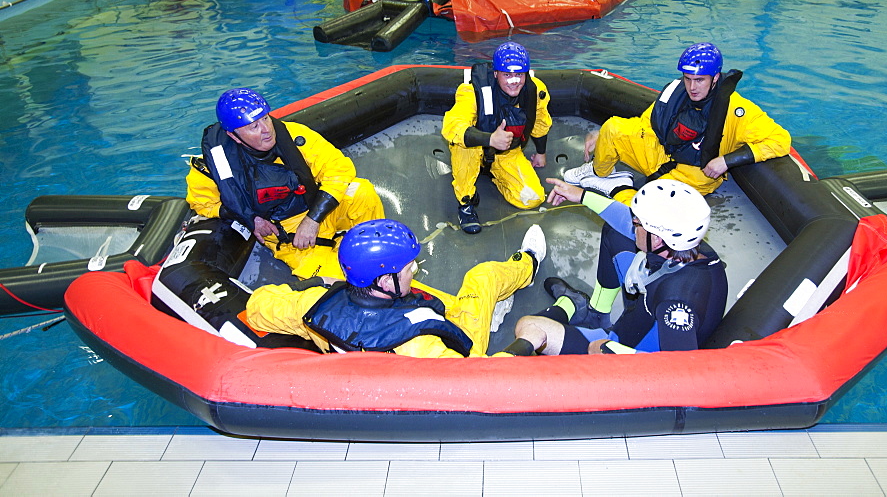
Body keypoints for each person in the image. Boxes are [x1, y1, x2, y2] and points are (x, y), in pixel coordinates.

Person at [245, 219, 547, 357]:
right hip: (458, 339)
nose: (415, 269)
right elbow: (482, 382)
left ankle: (491, 310)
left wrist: (322, 284)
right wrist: (526, 344)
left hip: (381, 316)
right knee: (482, 278)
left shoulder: (314, 305)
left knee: (439, 297)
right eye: (407, 268)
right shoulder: (422, 347)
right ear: (385, 280)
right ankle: (528, 264)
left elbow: (257, 306)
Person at [498, 178, 727, 357]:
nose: (632, 223)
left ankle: (571, 305)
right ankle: (596, 312)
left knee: (528, 325)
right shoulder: (685, 247)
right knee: (614, 232)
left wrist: (610, 350)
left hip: (630, 352)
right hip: (643, 314)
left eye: (637, 223)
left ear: (657, 239)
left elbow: (678, 373)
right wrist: (582, 195)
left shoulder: (677, 306)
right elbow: (621, 220)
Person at [186, 87, 384, 280]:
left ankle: (379, 248)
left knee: (361, 191)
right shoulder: (212, 168)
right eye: (254, 126)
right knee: (342, 278)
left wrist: (313, 219)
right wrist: (249, 218)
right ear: (233, 135)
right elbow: (202, 203)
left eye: (265, 118)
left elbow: (339, 168)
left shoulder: (296, 136)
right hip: (289, 238)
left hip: (319, 211)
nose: (266, 130)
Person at [563, 42, 790, 202]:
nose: (692, 87)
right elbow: (646, 123)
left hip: (696, 172)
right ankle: (599, 172)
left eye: (700, 80)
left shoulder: (739, 110)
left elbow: (780, 140)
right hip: (663, 152)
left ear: (716, 78)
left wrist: (726, 161)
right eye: (688, 79)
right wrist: (603, 136)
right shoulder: (677, 92)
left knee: (645, 205)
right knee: (613, 127)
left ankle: (617, 189)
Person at [441, 42, 552, 234]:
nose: (514, 81)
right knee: (462, 146)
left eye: (519, 75)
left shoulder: (535, 91)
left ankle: (496, 173)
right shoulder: (471, 92)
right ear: (495, 74)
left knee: (532, 198)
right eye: (507, 75)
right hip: (475, 151)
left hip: (507, 153)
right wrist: (489, 139)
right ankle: (466, 201)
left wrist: (540, 153)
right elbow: (453, 126)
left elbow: (541, 121)